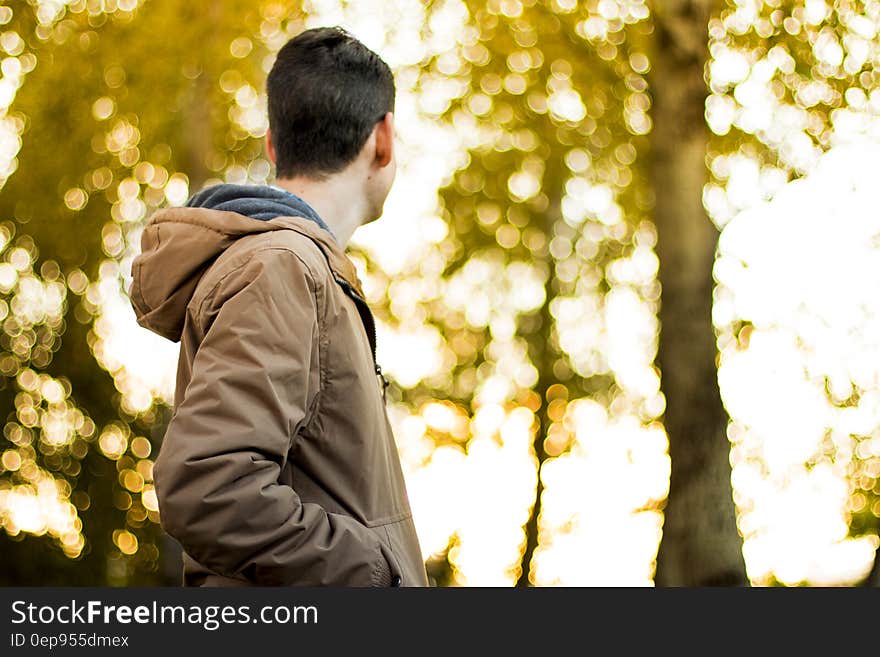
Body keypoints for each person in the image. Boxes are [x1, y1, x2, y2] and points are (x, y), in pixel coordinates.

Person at [129, 27, 428, 587]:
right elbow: (208, 487)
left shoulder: (295, 268)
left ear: (273, 144)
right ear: (382, 139)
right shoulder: (284, 267)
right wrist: (376, 579)